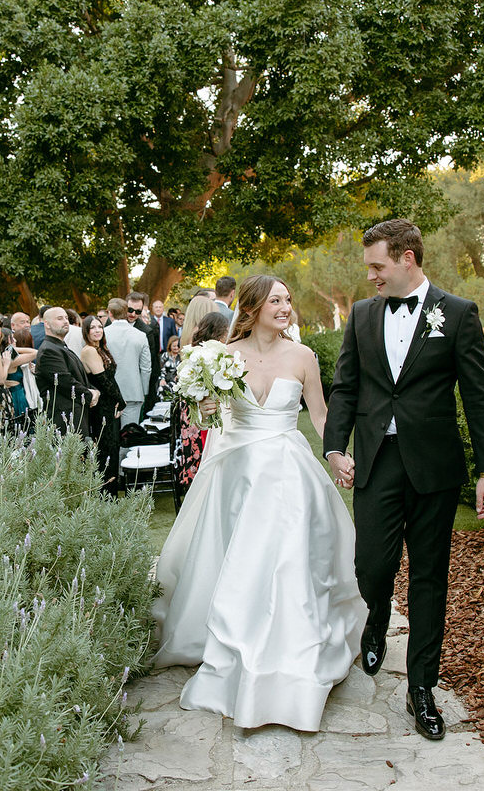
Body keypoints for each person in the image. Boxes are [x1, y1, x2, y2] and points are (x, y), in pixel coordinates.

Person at [152, 275, 364, 732]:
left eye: (289, 298)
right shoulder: (223, 356)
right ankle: (232, 641)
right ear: (252, 307)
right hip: (238, 472)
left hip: (288, 470)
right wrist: (203, 407)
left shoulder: (304, 356)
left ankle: (292, 646)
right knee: (240, 560)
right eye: (276, 300)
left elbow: (322, 414)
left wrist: (336, 455)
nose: (286, 306)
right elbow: (206, 412)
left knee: (289, 559)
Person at [323, 218, 484, 742]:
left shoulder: (459, 314)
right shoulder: (359, 316)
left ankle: (421, 688)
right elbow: (345, 388)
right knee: (370, 564)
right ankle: (376, 614)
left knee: (429, 578)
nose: (371, 276)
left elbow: (479, 395)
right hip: (378, 461)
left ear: (407, 258)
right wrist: (335, 448)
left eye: (377, 266)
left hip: (434, 468)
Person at [174, 312, 229, 491]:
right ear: (220, 333)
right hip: (199, 410)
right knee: (206, 452)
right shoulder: (207, 356)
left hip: (193, 410)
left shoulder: (194, 352)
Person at [35, 306, 98, 436]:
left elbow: (79, 376)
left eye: (66, 318)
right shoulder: (49, 350)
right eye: (59, 318)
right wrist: (90, 395)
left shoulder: (60, 347)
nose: (65, 321)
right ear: (46, 323)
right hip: (65, 420)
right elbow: (65, 382)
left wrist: (94, 391)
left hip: (76, 414)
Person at [79, 315, 125, 493]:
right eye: (93, 328)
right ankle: (106, 494)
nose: (97, 330)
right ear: (86, 331)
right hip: (102, 407)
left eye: (100, 327)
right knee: (106, 450)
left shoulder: (101, 349)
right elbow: (104, 381)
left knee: (113, 449)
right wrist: (121, 402)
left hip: (110, 403)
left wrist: (118, 402)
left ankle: (111, 493)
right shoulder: (89, 350)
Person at [104, 298, 151, 426]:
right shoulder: (140, 335)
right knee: (129, 435)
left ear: (110, 313)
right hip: (133, 391)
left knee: (109, 435)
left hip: (108, 390)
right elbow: (146, 367)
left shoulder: (103, 334)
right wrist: (143, 391)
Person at [0, 315, 38, 433]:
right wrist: (14, 348)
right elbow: (35, 352)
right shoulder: (12, 360)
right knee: (23, 425)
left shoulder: (4, 357)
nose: (15, 341)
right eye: (12, 339)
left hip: (15, 391)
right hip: (17, 395)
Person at [127, 292, 161, 414]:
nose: (133, 314)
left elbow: (151, 360)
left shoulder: (147, 331)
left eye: (137, 311)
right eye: (129, 310)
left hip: (140, 381)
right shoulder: (111, 325)